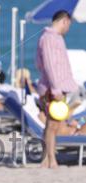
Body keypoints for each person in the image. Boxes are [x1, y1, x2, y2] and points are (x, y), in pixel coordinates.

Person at [36, 10, 82, 169]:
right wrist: (56, 89)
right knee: (53, 125)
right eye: (68, 24)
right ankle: (50, 159)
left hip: (54, 87)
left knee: (52, 124)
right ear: (64, 21)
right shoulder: (49, 38)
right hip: (53, 89)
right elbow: (49, 65)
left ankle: (46, 159)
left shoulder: (52, 38)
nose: (68, 28)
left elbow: (39, 64)